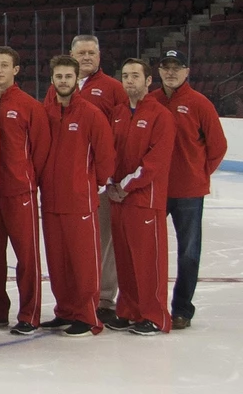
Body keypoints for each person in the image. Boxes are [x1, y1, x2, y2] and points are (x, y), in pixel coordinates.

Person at [47, 34, 127, 323]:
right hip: (59, 191)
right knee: (63, 253)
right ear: (71, 54)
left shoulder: (111, 89)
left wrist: (102, 180)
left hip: (90, 187)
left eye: (92, 52)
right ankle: (67, 308)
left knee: (97, 248)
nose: (87, 57)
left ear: (100, 55)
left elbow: (114, 136)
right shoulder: (53, 93)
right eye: (81, 52)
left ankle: (101, 301)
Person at [149, 49, 228, 329]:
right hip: (154, 190)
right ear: (158, 71)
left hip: (188, 193)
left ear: (187, 71)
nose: (171, 72)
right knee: (149, 250)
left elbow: (218, 147)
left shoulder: (199, 103)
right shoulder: (152, 101)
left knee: (188, 252)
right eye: (166, 67)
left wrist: (198, 174)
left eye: (176, 67)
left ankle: (182, 308)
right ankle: (149, 305)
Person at [39, 55, 115, 337]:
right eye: (58, 77)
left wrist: (94, 183)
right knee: (58, 261)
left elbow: (106, 154)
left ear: (76, 80)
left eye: (68, 77)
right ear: (52, 80)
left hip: (79, 200)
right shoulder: (45, 113)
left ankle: (87, 314)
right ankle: (66, 310)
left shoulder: (91, 113)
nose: (63, 81)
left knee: (83, 261)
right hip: (51, 199)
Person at [103, 59, 175, 336]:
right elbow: (109, 149)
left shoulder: (160, 115)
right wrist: (109, 180)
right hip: (118, 197)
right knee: (124, 258)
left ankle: (155, 315)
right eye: (125, 75)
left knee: (147, 261)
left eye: (135, 75)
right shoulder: (118, 112)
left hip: (145, 199)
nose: (129, 80)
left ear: (148, 81)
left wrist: (126, 184)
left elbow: (156, 160)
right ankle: (129, 311)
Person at [0, 46, 50, 334]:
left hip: (19, 193)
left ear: (16, 70)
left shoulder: (29, 106)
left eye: (4, 65)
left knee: (27, 256)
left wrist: (27, 180)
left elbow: (41, 149)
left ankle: (29, 313)